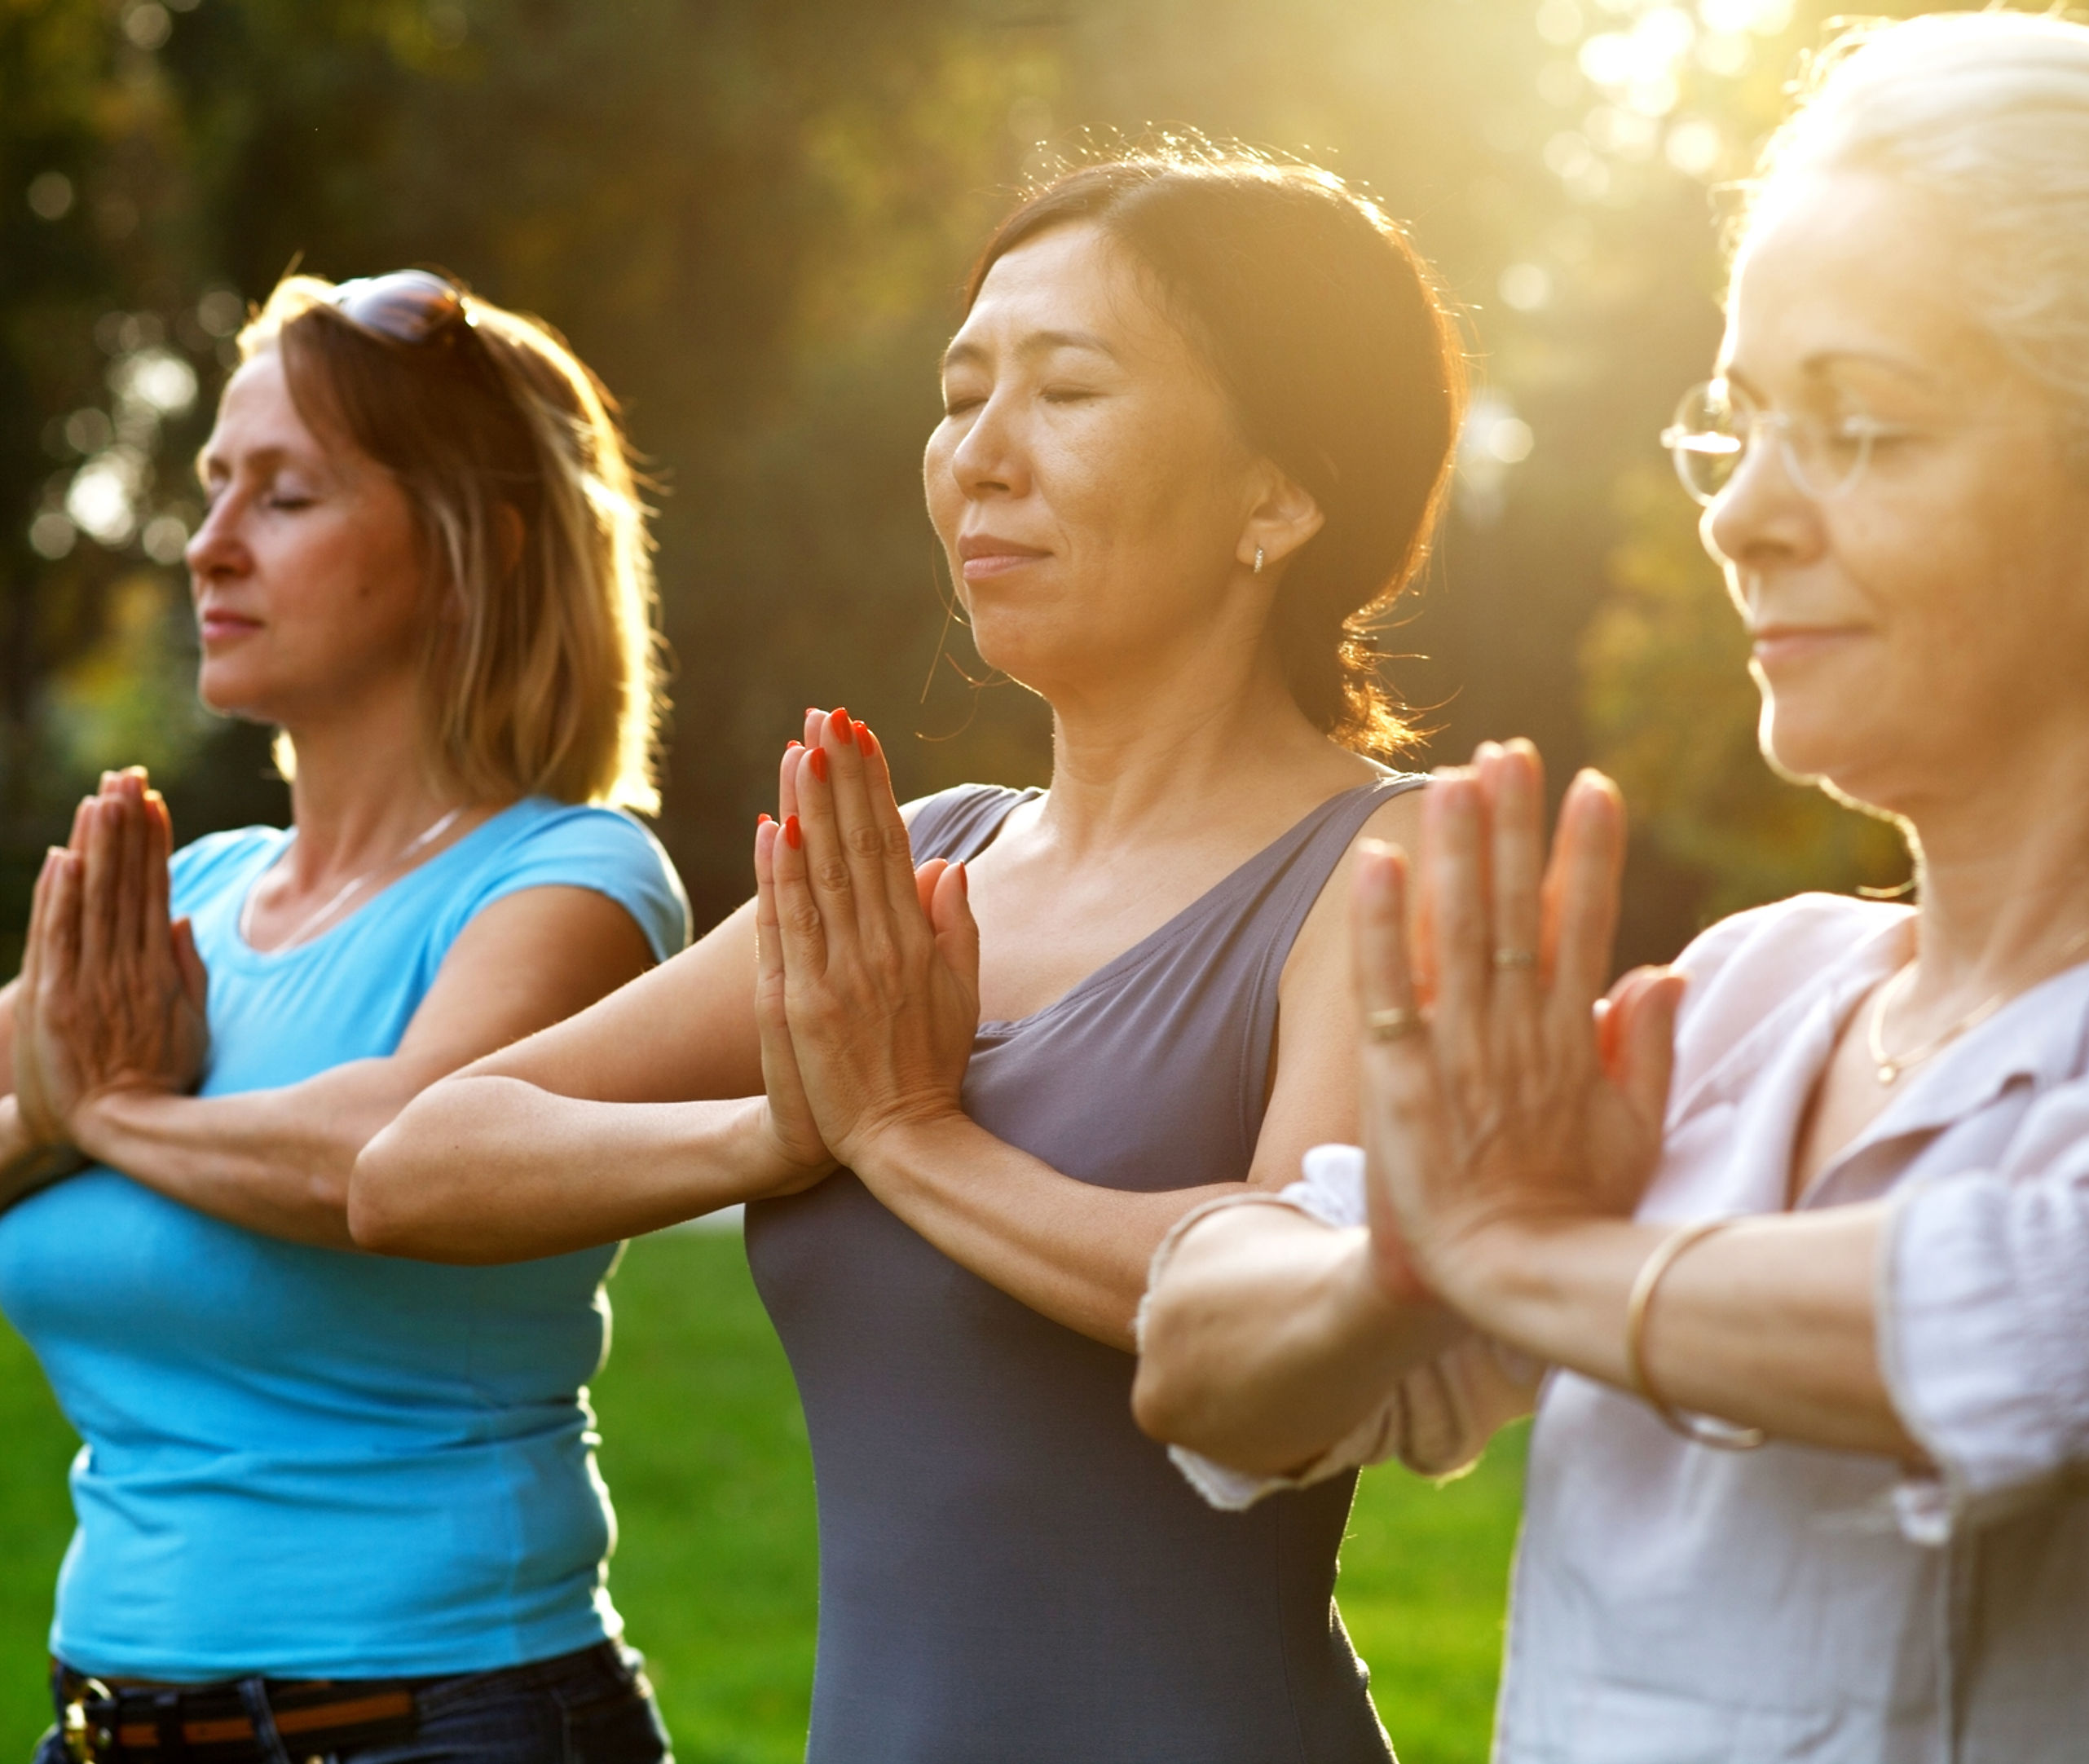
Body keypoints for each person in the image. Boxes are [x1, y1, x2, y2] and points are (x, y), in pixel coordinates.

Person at [1133, 15, 2089, 1762]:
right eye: (1742, 423)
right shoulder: (1754, 992)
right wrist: (1407, 1262)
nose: (1742, 517)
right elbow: (1196, 1348)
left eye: (1860, 429)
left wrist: (1523, 1254)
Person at [354, 149, 1463, 1762]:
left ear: (1282, 493)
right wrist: (778, 1127)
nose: (979, 457)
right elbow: (417, 1160)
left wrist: (906, 1138)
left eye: (1067, 389)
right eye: (961, 392)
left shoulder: (1386, 865)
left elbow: (1302, 1312)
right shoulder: (919, 859)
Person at [0, 270, 689, 1764]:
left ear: (468, 551)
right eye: (213, 487)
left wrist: (109, 1116)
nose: (208, 544)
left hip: (437, 1724)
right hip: (108, 1725)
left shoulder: (567, 879)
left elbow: (390, 1154)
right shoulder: (179, 899)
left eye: (288, 495)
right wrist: (68, 1111)